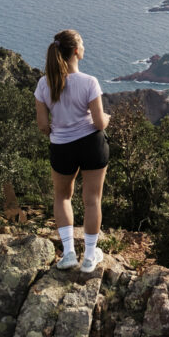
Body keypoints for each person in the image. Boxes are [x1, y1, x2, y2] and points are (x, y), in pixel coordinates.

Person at [34, 29, 111, 272]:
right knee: (92, 200)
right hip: (92, 144)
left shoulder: (44, 85)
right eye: (83, 44)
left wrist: (61, 127)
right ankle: (89, 257)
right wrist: (108, 117)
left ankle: (68, 254)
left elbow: (43, 126)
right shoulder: (89, 82)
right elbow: (99, 123)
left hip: (61, 147)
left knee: (62, 197)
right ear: (76, 51)